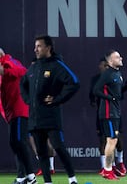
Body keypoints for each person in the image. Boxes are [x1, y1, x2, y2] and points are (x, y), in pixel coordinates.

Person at [20, 35, 80, 184]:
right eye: (35, 46)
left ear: (48, 48)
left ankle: (72, 179)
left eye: (39, 46)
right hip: (35, 118)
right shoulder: (34, 67)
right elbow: (23, 84)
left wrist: (57, 99)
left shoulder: (57, 65)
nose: (35, 49)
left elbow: (74, 82)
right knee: (41, 153)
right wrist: (28, 100)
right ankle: (47, 182)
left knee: (59, 147)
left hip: (51, 117)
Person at [0, 48, 38, 184]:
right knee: (16, 143)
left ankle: (30, 176)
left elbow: (22, 72)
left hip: (19, 109)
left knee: (19, 142)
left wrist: (5, 72)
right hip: (12, 112)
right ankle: (24, 176)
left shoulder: (10, 62)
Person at [93, 50, 126, 180]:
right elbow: (96, 90)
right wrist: (109, 98)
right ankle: (107, 170)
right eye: (117, 57)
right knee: (111, 140)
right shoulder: (107, 74)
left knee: (113, 141)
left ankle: (110, 169)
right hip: (108, 112)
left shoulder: (118, 73)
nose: (121, 58)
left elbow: (116, 93)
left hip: (116, 112)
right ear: (110, 61)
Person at [89, 58, 108, 174]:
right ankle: (104, 166)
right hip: (101, 114)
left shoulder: (113, 77)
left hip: (113, 113)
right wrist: (93, 101)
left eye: (106, 65)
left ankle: (114, 165)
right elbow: (91, 94)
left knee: (114, 140)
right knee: (102, 140)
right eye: (103, 65)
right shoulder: (95, 79)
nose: (105, 67)